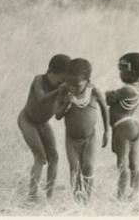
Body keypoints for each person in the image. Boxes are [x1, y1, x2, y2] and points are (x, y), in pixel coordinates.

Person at [17, 54, 71, 201]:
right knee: (40, 157)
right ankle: (32, 195)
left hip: (43, 123)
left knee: (54, 157)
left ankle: (49, 195)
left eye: (65, 81)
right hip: (27, 120)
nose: (61, 84)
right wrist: (59, 91)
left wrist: (66, 102)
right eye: (60, 80)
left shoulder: (62, 89)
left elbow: (59, 115)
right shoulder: (38, 80)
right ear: (50, 72)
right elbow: (41, 99)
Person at [55, 58, 109, 203]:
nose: (72, 88)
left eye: (77, 85)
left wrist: (107, 131)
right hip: (71, 138)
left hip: (89, 137)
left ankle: (87, 200)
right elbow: (57, 116)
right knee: (74, 169)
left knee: (88, 167)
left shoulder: (94, 91)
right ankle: (77, 201)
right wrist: (66, 103)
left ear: (87, 80)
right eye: (69, 83)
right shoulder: (64, 91)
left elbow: (104, 108)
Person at [105, 52, 139, 200]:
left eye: (122, 69)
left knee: (122, 163)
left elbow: (109, 99)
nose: (120, 72)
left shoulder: (126, 90)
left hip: (122, 127)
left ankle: (120, 196)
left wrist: (108, 94)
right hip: (133, 124)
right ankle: (135, 192)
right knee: (134, 161)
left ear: (132, 71)